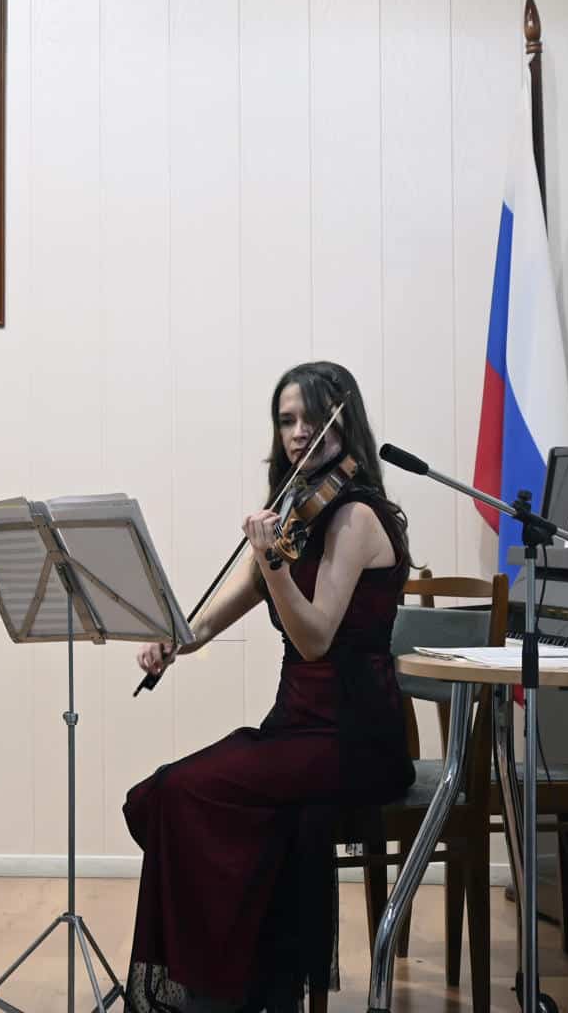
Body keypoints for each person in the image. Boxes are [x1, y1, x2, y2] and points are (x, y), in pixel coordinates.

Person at [124, 362, 416, 1013]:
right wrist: (172, 640)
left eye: (312, 416)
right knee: (179, 794)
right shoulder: (297, 514)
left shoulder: (357, 517)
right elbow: (209, 619)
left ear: (345, 420)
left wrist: (275, 565)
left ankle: (215, 993)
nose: (298, 431)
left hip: (353, 734)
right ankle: (240, 987)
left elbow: (314, 637)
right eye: (286, 419)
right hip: (298, 726)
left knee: (180, 789)